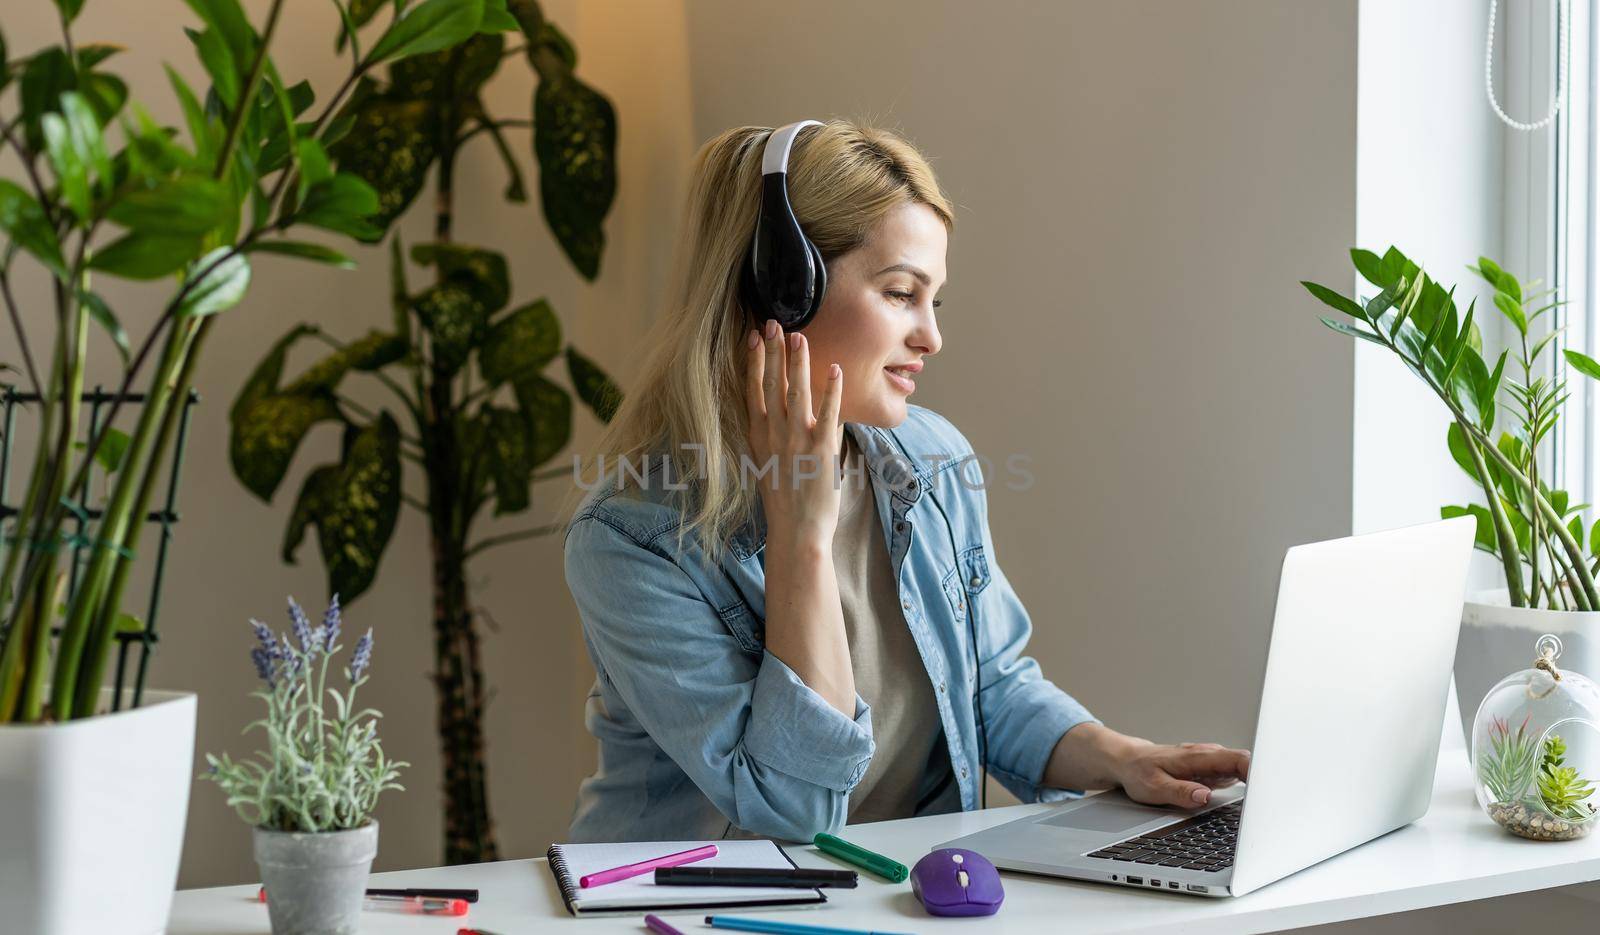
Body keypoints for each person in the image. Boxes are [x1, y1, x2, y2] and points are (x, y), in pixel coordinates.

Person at [561, 119, 1249, 843]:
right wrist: (801, 531)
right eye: (899, 293)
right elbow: (794, 810)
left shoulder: (933, 458)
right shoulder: (632, 540)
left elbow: (990, 686)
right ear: (781, 293)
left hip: (895, 893)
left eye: (934, 300)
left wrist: (1127, 758)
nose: (931, 336)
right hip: (685, 908)